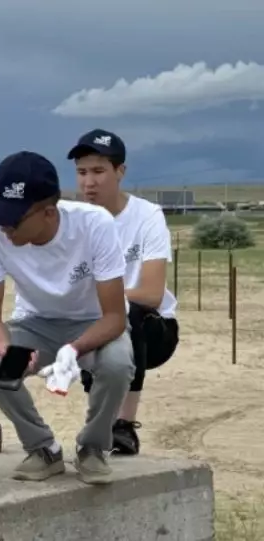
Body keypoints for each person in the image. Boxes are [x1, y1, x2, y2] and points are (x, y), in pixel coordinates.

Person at [0, 150, 135, 485]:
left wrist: (73, 350)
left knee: (117, 364)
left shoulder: (94, 225)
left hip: (94, 324)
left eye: (13, 219)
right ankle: (43, 449)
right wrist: (5, 347)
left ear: (48, 213)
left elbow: (115, 317)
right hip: (34, 322)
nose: (4, 227)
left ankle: (93, 447)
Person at [67, 129, 180, 456]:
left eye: (99, 171)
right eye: (82, 172)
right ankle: (100, 424)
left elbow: (153, 293)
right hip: (97, 322)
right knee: (89, 319)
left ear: (120, 172)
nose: (89, 182)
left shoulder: (147, 216)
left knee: (128, 310)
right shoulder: (71, 222)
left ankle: (123, 426)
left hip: (153, 331)